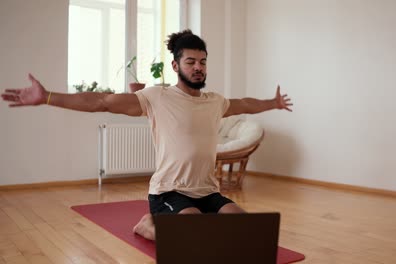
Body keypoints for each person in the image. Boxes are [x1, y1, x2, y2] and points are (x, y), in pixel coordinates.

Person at [1, 29, 293, 240]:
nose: (198, 68)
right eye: (191, 62)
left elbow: (244, 104)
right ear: (176, 65)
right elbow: (101, 101)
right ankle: (148, 224)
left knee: (248, 230)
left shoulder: (214, 101)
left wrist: (273, 103)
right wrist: (48, 96)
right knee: (194, 236)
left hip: (207, 190)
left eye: (202, 62)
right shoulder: (157, 97)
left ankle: (188, 220)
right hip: (169, 190)